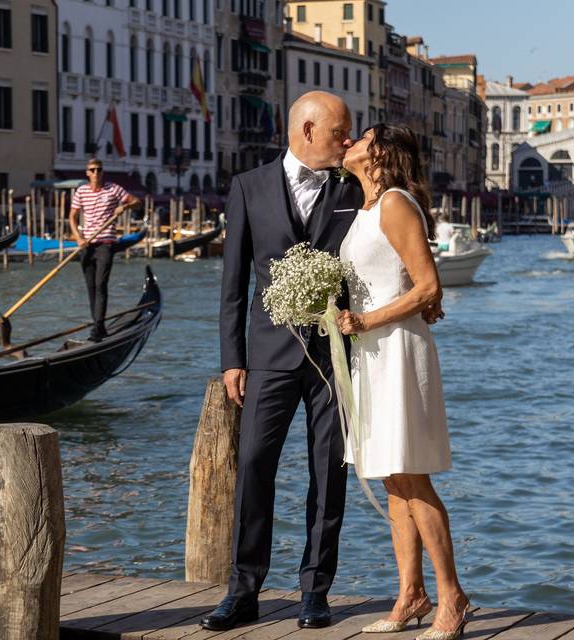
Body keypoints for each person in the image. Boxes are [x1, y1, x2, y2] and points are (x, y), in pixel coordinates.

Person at [207, 91, 366, 632]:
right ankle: (242, 592)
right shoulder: (248, 188)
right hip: (268, 356)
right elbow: (233, 284)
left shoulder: (353, 189)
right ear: (305, 130)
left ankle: (315, 593)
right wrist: (233, 359)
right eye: (338, 133)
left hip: (334, 357)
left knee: (328, 474)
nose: (346, 142)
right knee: (253, 466)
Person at [336, 124, 468, 639]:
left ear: (381, 152)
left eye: (361, 137)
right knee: (391, 477)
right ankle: (411, 594)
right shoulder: (367, 206)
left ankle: (452, 596)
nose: (349, 142)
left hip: (395, 348)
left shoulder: (394, 203)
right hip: (371, 353)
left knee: (411, 475)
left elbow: (429, 284)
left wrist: (366, 321)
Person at [69, 158, 141, 342]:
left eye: (99, 170)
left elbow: (137, 202)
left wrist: (124, 207)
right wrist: (78, 237)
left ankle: (97, 329)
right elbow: (73, 217)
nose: (96, 173)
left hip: (105, 244)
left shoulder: (113, 189)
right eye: (92, 170)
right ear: (87, 173)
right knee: (91, 288)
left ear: (103, 172)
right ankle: (99, 327)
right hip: (87, 245)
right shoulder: (81, 191)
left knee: (101, 285)